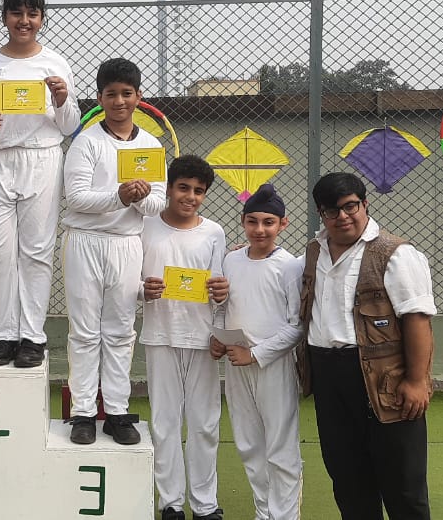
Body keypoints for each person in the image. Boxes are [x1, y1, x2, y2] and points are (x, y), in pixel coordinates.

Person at [298, 172, 436, 519]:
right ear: (321, 214)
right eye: (332, 211)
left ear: (365, 204)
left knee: (403, 483)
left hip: (383, 377)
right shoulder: (314, 251)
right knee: (348, 479)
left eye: (350, 206)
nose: (343, 217)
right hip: (329, 378)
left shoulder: (395, 254)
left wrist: (417, 380)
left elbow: (417, 319)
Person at [0, 0, 81, 367]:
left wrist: (62, 99)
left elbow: (69, 124)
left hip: (42, 157)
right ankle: (4, 333)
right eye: (16, 13)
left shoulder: (55, 63)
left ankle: (32, 335)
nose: (24, 20)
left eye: (32, 14)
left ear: (42, 19)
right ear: (4, 17)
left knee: (36, 251)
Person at [62, 58, 166, 446]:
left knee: (121, 330)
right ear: (100, 98)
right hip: (85, 240)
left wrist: (138, 199)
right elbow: (75, 198)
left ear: (138, 97)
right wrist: (119, 196)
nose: (119, 101)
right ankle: (83, 412)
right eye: (111, 94)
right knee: (85, 330)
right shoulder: (87, 142)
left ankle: (118, 411)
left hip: (126, 244)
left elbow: (157, 203)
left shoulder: (150, 145)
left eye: (126, 94)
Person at [138, 155, 229, 520]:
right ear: (169, 188)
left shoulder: (214, 232)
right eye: (183, 188)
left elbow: (219, 288)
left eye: (199, 191)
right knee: (165, 422)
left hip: (202, 338)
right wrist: (142, 290)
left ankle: (205, 505)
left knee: (205, 423)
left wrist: (220, 300)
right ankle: (171, 504)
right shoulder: (144, 226)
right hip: (160, 335)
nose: (190, 197)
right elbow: (131, 279)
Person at [212, 183, 304, 520]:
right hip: (237, 365)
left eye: (268, 222)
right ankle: (264, 513)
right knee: (249, 445)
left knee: (280, 446)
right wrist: (217, 337)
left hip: (273, 365)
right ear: (243, 221)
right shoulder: (231, 259)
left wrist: (256, 354)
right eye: (252, 221)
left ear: (283, 224)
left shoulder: (290, 266)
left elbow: (297, 326)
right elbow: (223, 306)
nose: (260, 229)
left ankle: (285, 516)